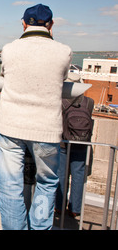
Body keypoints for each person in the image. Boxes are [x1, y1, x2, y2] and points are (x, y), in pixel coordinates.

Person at [0, 4, 72, 230]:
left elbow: (4, 74)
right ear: (51, 24)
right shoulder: (64, 51)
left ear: (23, 23)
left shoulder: (9, 49)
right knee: (47, 183)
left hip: (10, 126)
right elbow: (62, 76)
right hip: (46, 129)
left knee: (10, 186)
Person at [55, 72, 95, 218]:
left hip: (63, 143)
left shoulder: (61, 101)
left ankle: (59, 206)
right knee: (78, 177)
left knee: (61, 175)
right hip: (82, 144)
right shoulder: (89, 102)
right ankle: (75, 208)